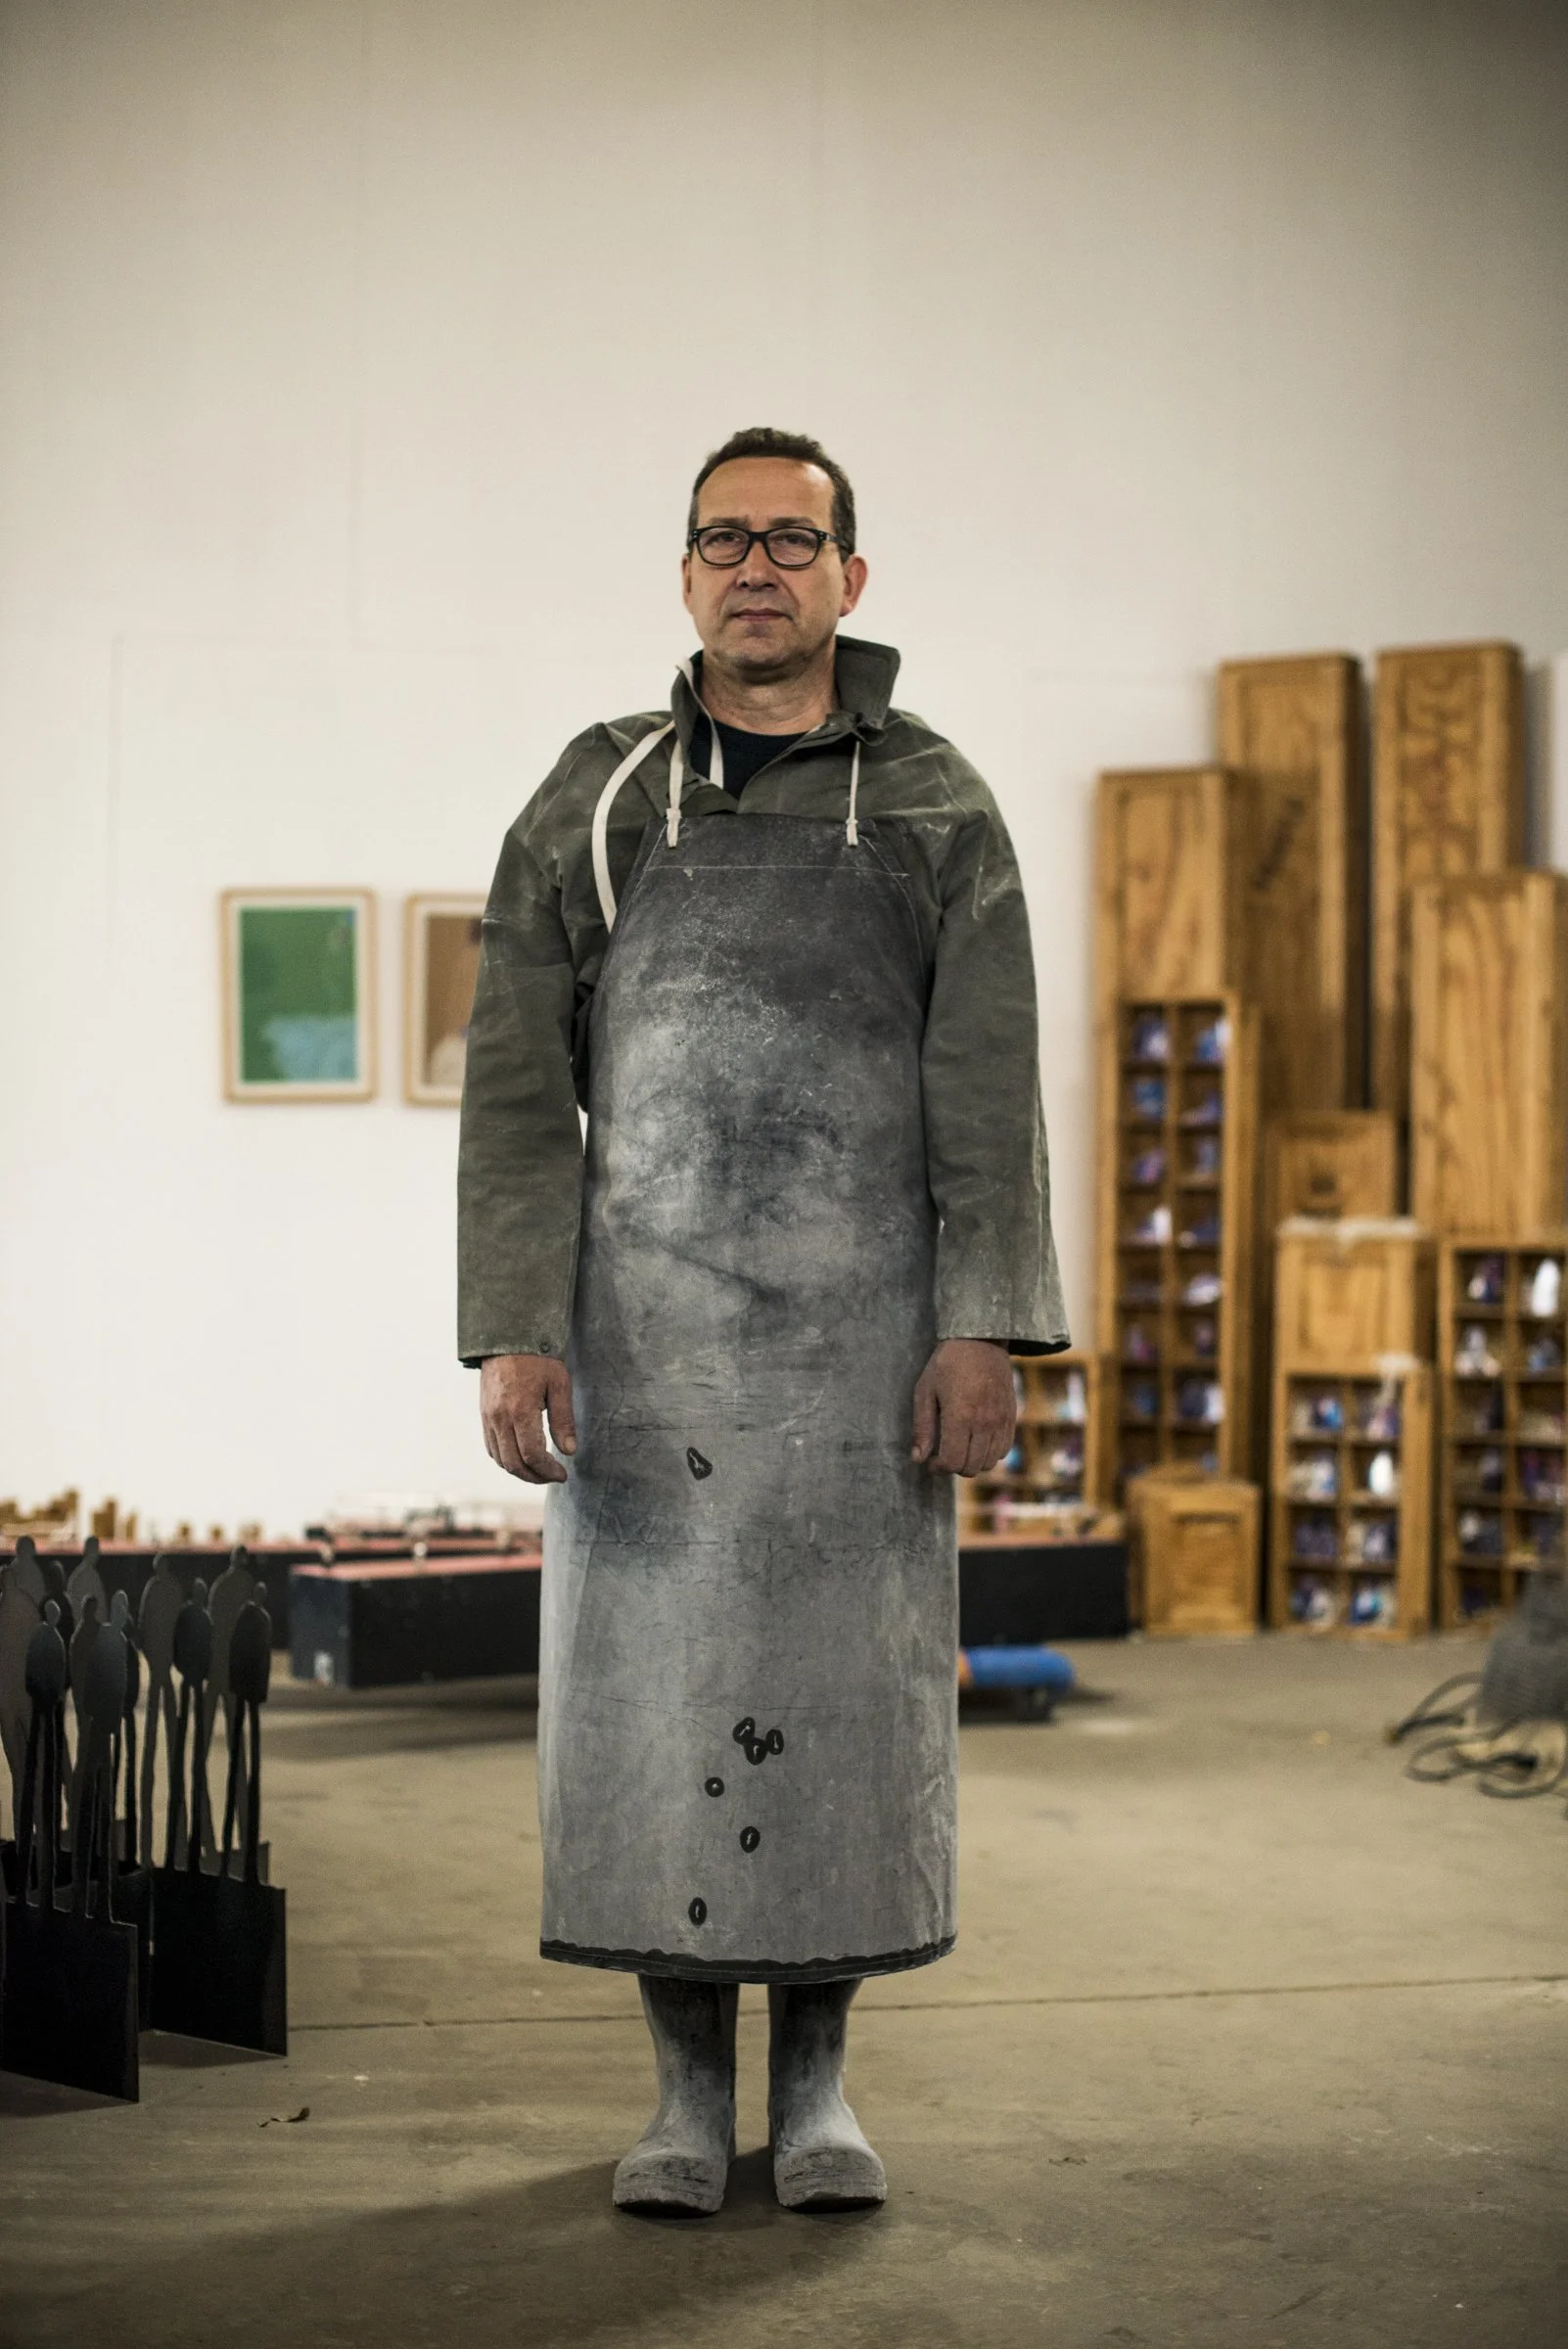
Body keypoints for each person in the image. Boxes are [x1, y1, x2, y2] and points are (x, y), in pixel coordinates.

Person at [458, 426, 1068, 2217]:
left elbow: (987, 1086)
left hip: (861, 1360)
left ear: (849, 578)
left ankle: (814, 2095)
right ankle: (676, 2099)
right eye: (723, 540)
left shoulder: (935, 803)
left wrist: (983, 1325)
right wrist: (513, 1324)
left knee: (842, 1722)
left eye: (792, 542)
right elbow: (515, 1082)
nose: (756, 569)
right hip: (643, 1356)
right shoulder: (598, 797)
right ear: (683, 575)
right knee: (653, 1717)